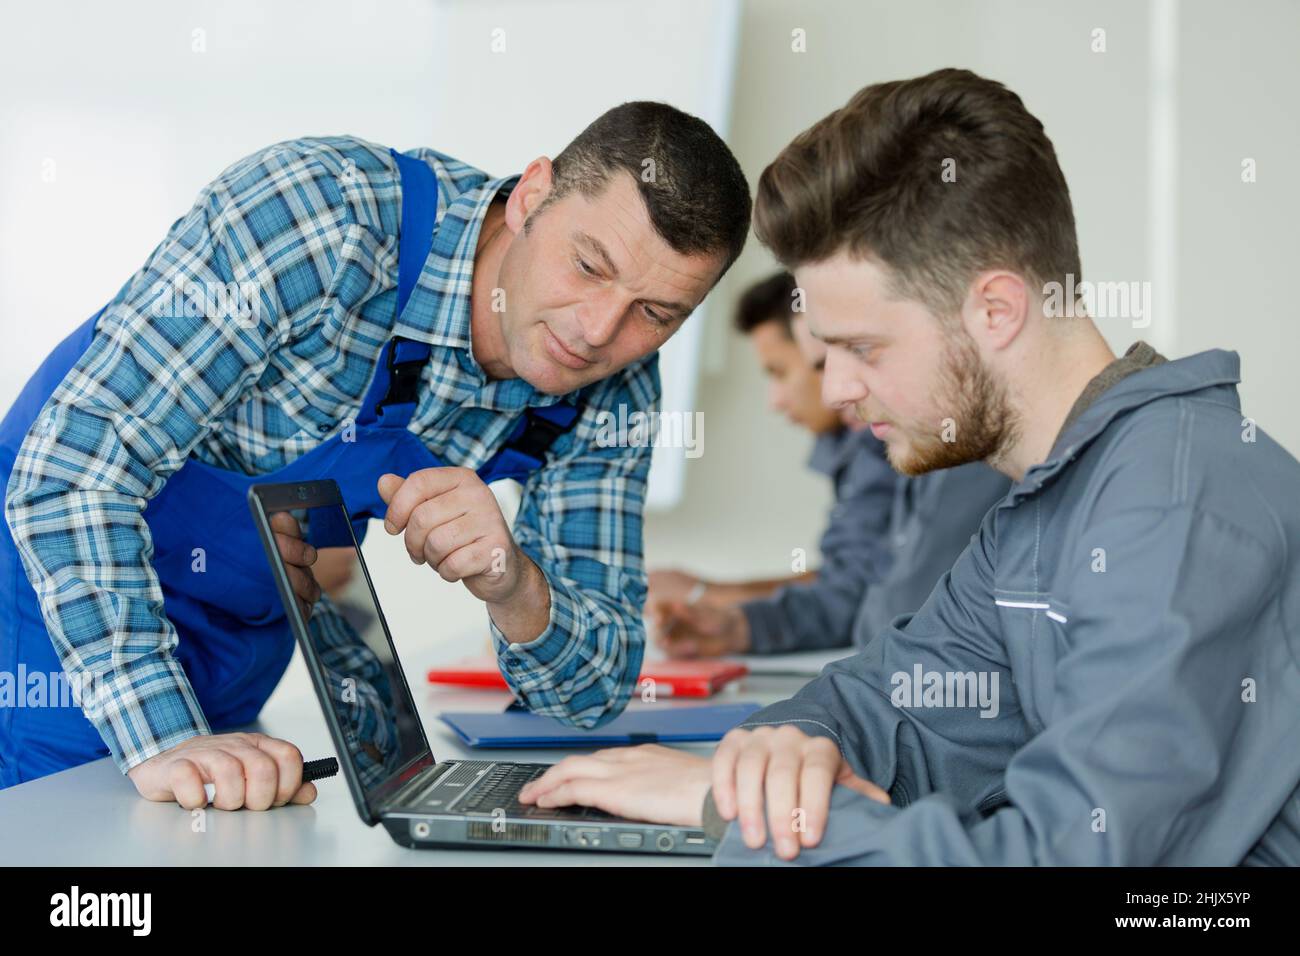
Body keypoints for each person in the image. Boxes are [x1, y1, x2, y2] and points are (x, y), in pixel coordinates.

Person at [518, 69, 1300, 866]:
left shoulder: (1172, 509)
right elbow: (886, 698)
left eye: (862, 348)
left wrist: (724, 805)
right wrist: (781, 752)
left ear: (994, 310)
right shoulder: (1045, 504)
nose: (837, 389)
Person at [0, 102, 751, 806]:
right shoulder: (319, 217)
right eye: (588, 266)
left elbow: (594, 690)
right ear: (531, 196)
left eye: (654, 314)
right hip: (51, 592)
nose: (596, 332)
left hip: (242, 640)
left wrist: (516, 586)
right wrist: (165, 737)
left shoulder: (613, 390)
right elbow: (73, 474)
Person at [649, 271, 1006, 658]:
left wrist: (710, 595)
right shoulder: (871, 445)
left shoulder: (944, 450)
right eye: (824, 364)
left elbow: (872, 604)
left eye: (782, 372)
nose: (838, 390)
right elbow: (864, 595)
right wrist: (735, 621)